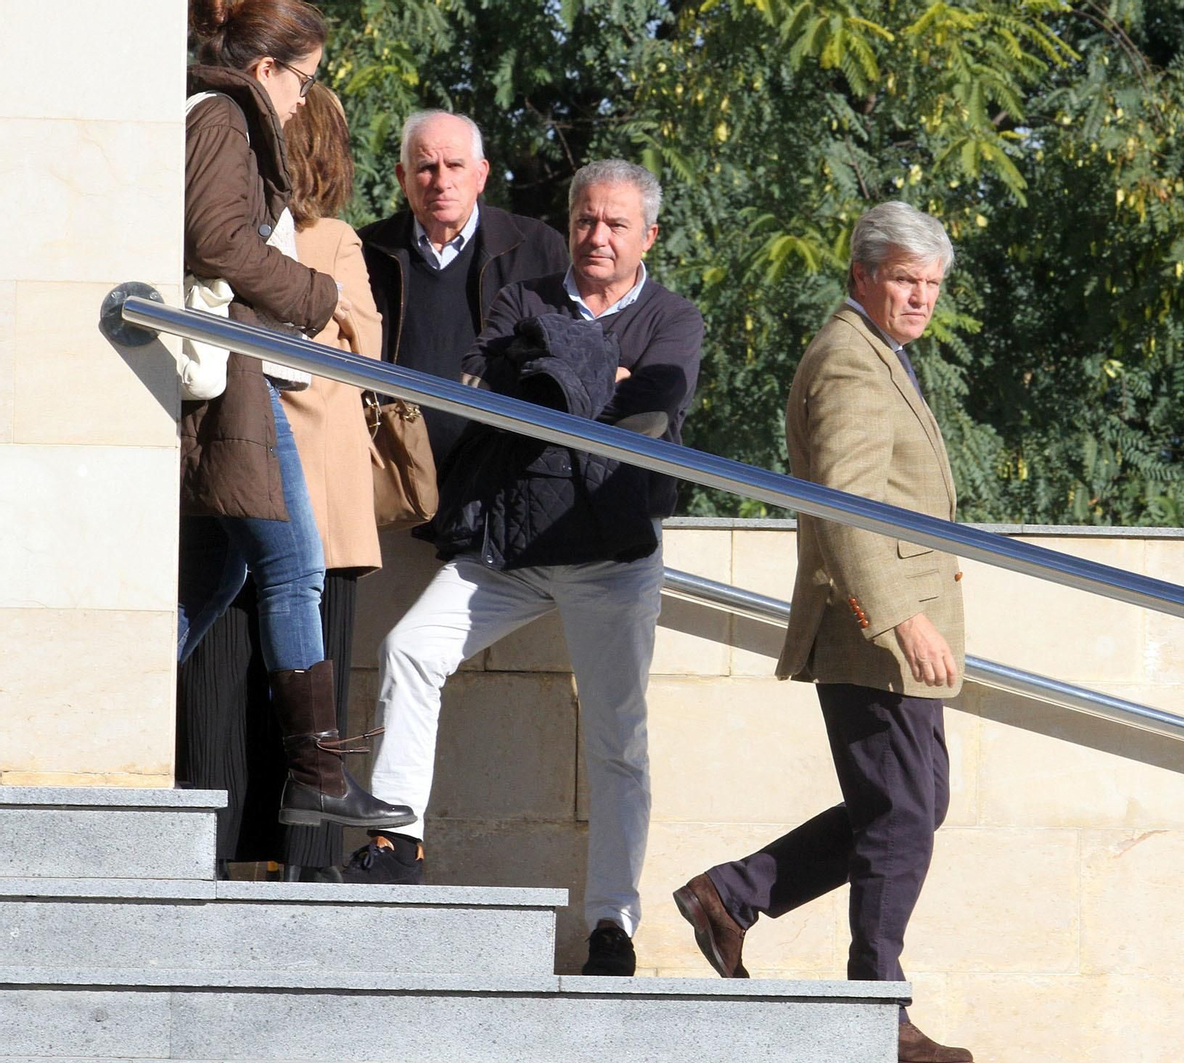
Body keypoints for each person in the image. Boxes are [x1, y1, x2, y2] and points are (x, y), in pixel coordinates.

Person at [344, 160, 705, 981]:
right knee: (408, 647)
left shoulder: (674, 316)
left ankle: (611, 922)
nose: (597, 236)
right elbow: (488, 385)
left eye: (616, 224)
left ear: (648, 235)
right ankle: (397, 839)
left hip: (612, 557)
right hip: (509, 548)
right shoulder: (524, 297)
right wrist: (591, 379)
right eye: (585, 219)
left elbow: (652, 406)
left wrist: (560, 376)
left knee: (620, 742)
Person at [671, 202, 973, 1062]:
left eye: (932, 285)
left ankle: (732, 894)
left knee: (910, 806)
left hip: (885, 627)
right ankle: (876, 1008)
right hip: (874, 632)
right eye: (906, 281)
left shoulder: (881, 355)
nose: (921, 299)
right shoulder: (850, 361)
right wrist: (902, 616)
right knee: (903, 814)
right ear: (861, 277)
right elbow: (845, 505)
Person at [180, 0, 412, 834]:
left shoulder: (220, 114)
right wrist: (316, 295)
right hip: (237, 374)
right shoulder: (223, 115)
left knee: (217, 578)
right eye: (303, 82)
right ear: (267, 68)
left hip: (239, 372)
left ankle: (97, 709)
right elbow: (215, 239)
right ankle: (317, 771)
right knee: (295, 569)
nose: (304, 102)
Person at [358, 110, 568, 468]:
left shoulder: (537, 248)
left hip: (502, 475)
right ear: (401, 178)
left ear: (481, 174)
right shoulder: (367, 251)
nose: (441, 182)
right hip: (394, 474)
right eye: (426, 167)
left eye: (455, 165)